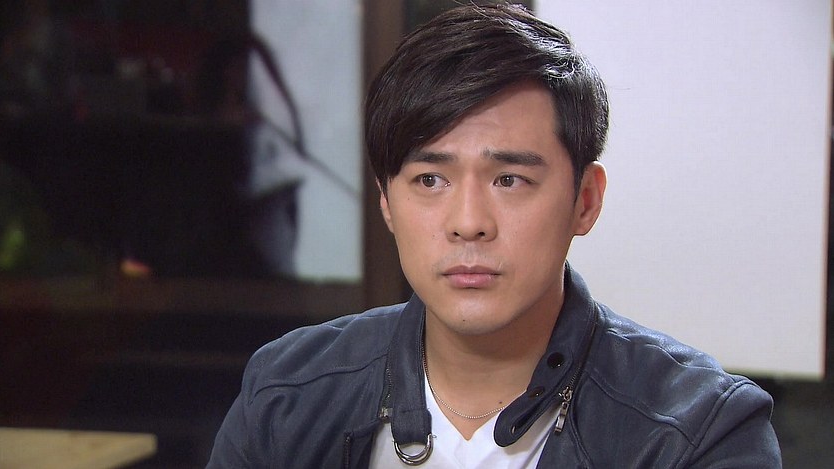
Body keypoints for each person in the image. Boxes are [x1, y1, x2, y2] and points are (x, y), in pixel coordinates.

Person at [207, 4, 781, 467]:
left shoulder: (699, 431)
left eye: (509, 180)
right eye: (430, 180)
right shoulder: (287, 393)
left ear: (585, 200)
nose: (469, 222)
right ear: (386, 201)